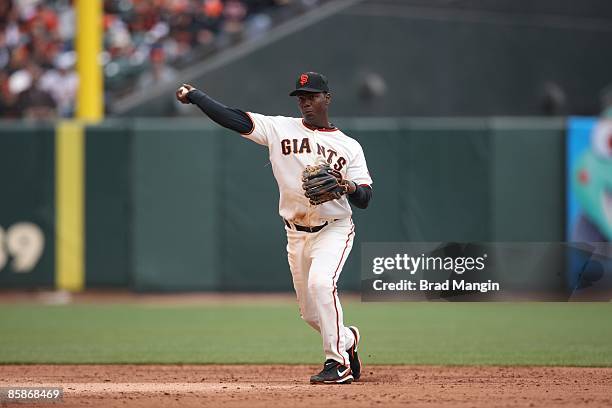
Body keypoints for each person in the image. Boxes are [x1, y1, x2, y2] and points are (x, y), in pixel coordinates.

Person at [176, 72, 373, 384]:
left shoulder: (349, 146)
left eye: (312, 95)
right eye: (301, 97)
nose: (306, 101)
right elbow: (233, 119)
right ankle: (347, 341)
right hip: (295, 232)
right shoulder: (280, 127)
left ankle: (338, 364)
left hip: (334, 228)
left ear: (327, 98)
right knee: (311, 315)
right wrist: (197, 96)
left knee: (322, 285)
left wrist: (346, 185)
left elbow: (365, 197)